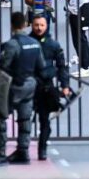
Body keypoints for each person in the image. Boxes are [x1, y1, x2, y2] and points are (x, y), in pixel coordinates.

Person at [0, 12, 50, 167]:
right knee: (25, 119)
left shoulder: (12, 44)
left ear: (12, 25)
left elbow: (4, 65)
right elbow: (41, 65)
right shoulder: (34, 43)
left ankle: (0, 154)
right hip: (30, 84)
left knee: (0, 118)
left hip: (15, 85)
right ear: (25, 24)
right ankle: (23, 152)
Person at [29, 15, 70, 161]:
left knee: (44, 120)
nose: (39, 28)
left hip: (45, 87)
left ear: (46, 26)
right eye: (36, 25)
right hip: (29, 86)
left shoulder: (53, 45)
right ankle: (23, 148)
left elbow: (61, 67)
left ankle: (42, 149)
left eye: (42, 25)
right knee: (24, 119)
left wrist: (65, 85)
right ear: (32, 25)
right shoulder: (27, 43)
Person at [58, 0, 89, 78]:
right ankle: (83, 62)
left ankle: (86, 67)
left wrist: (72, 8)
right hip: (77, 10)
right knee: (78, 38)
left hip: (79, 10)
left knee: (80, 39)